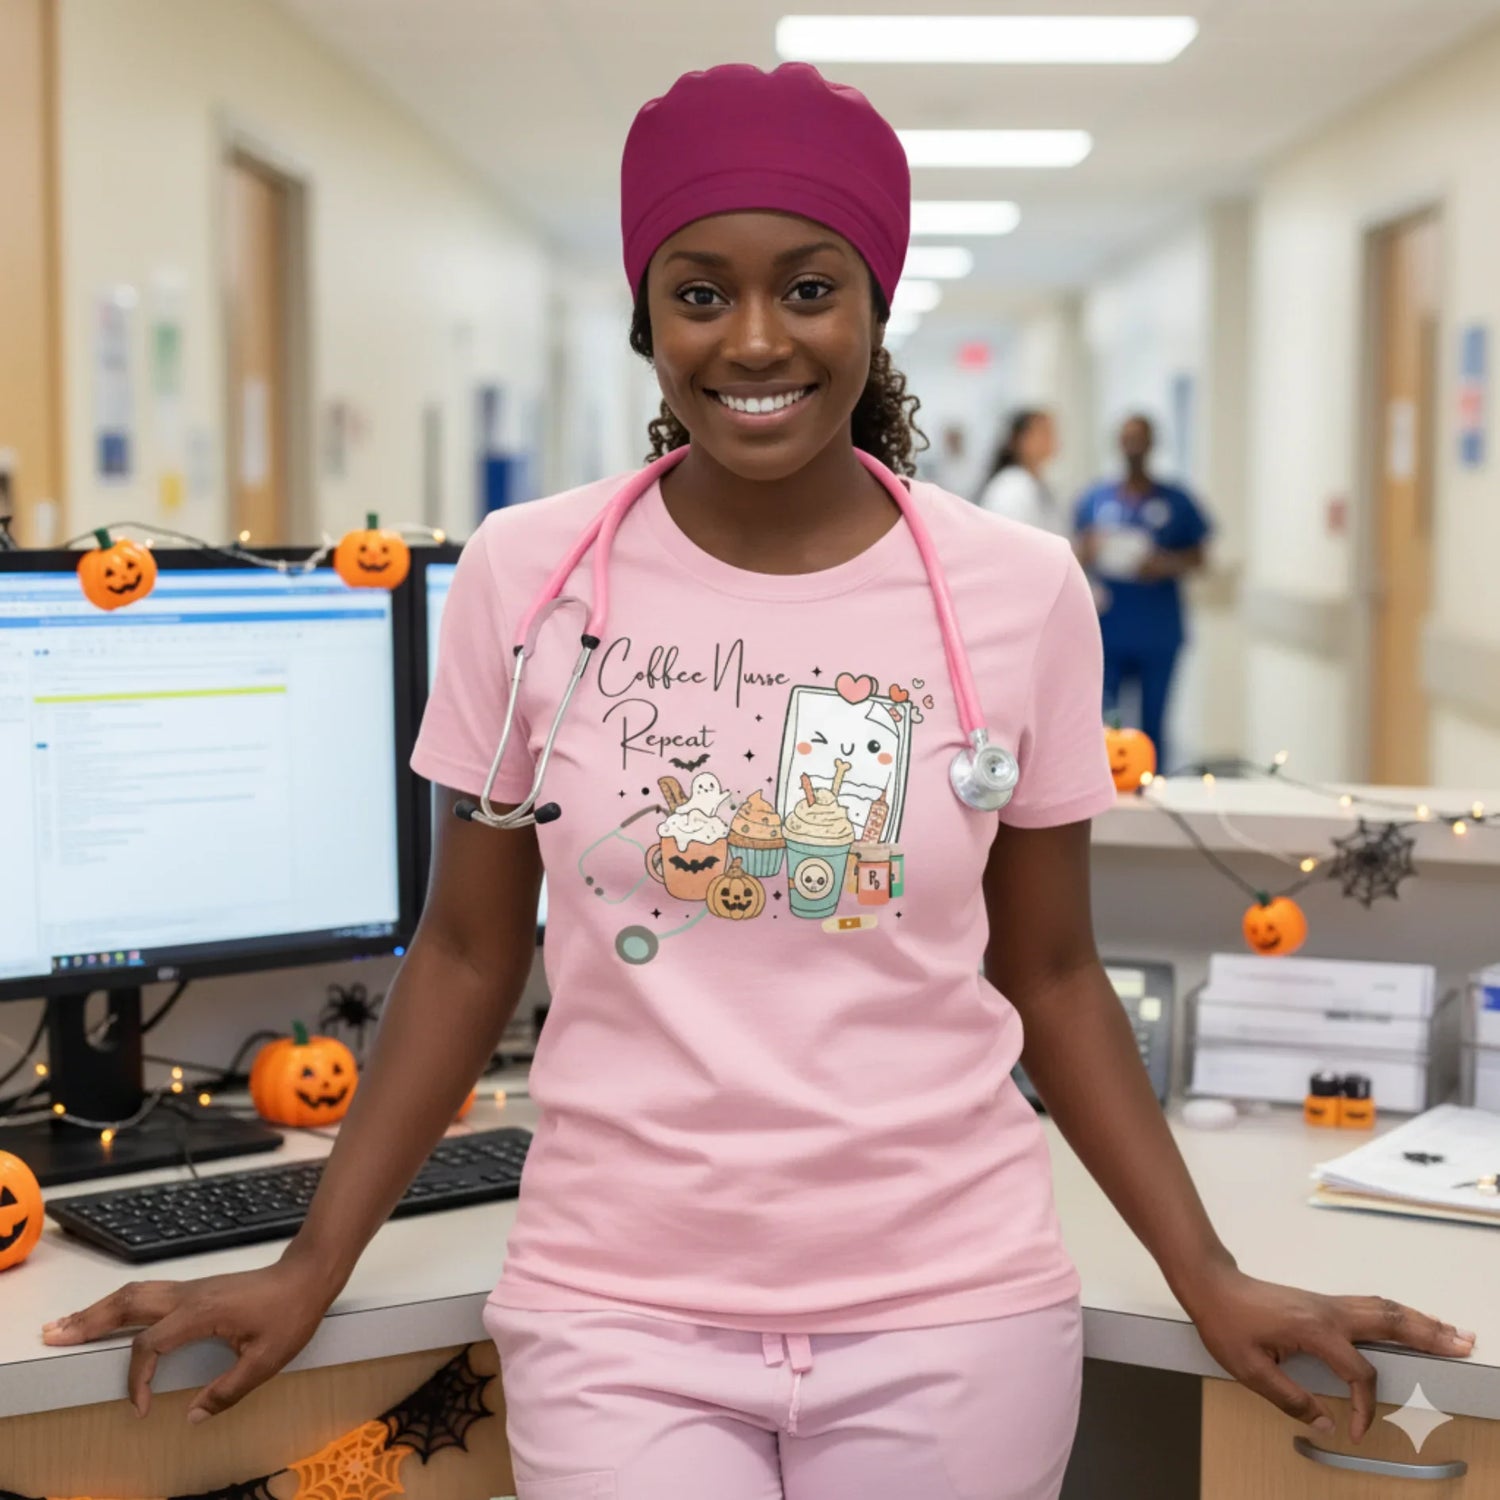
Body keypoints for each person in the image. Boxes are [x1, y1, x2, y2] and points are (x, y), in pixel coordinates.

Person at [43, 61, 1475, 1500]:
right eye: (699, 291)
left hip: (949, 1304)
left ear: (873, 303)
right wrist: (310, 1267)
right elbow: (471, 952)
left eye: (808, 287)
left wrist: (1210, 1275)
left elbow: (1052, 974)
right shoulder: (528, 579)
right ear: (645, 314)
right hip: (616, 1308)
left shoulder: (1016, 590)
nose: (753, 339)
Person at [1074, 413, 1210, 770]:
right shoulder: (1095, 499)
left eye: (1140, 438)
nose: (1133, 445)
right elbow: (1072, 551)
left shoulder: (1176, 500)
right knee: (1104, 720)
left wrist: (1163, 565)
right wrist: (1087, 551)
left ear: (1152, 443)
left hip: (1158, 631)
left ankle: (1155, 789)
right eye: (1126, 437)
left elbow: (1200, 556)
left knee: (1154, 723)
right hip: (1109, 630)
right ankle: (1105, 793)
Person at [976, 408, 1065, 534]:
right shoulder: (1011, 487)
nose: (1051, 438)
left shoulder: (1040, 484)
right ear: (1019, 440)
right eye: (1043, 432)